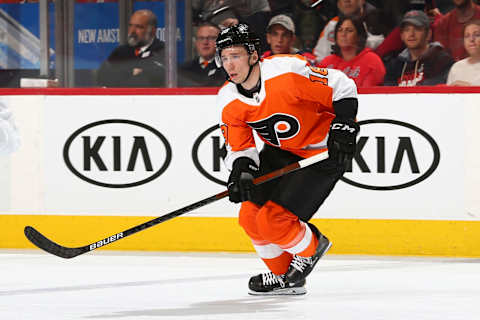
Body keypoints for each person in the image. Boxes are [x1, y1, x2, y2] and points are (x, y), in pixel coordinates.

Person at [215, 24, 359, 295]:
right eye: (224, 58)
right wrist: (242, 171)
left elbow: (342, 86)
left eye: (235, 56)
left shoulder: (287, 73)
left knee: (274, 221)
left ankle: (312, 247)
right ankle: (284, 277)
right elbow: (240, 146)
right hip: (281, 151)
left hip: (323, 151)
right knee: (249, 216)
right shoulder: (228, 99)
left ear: (254, 55)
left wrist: (344, 124)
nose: (229, 65)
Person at [96, 10, 165, 87]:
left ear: (152, 31)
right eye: (130, 25)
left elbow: (154, 79)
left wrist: (122, 73)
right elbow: (102, 77)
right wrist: (131, 71)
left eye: (139, 27)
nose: (132, 31)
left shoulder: (163, 50)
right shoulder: (120, 51)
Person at [384, 10, 454, 86]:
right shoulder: (395, 65)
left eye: (417, 29)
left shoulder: (442, 60)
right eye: (407, 30)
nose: (411, 34)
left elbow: (433, 91)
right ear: (402, 36)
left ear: (428, 34)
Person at [318, 15, 386, 87]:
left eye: (349, 30)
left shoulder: (371, 60)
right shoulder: (327, 62)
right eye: (340, 30)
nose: (343, 34)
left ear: (359, 36)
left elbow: (368, 93)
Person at [313, 0, 382, 63]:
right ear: (338, 4)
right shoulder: (332, 24)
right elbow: (319, 56)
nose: (346, 1)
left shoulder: (376, 19)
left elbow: (381, 42)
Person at [178, 22, 225, 87]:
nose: (205, 42)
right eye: (201, 38)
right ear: (196, 42)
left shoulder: (227, 68)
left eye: (211, 38)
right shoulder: (184, 70)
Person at [447, 19, 480, 85]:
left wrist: (469, 90)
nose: (471, 39)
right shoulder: (456, 67)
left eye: (477, 35)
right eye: (467, 36)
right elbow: (448, 94)